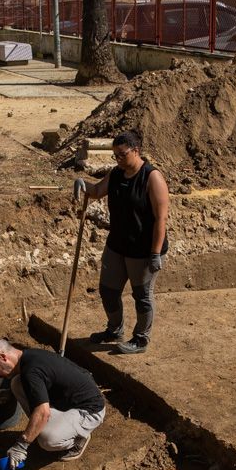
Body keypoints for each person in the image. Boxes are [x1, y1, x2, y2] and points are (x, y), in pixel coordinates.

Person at [73, 130, 169, 355]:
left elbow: (160, 218)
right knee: (108, 290)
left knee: (142, 296)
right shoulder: (116, 174)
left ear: (136, 151)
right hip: (117, 245)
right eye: (114, 155)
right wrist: (82, 184)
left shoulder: (152, 177)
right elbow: (97, 191)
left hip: (143, 251)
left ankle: (140, 339)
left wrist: (155, 253)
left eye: (122, 154)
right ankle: (115, 329)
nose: (117, 159)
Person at [0, 339, 105, 469]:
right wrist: (10, 393)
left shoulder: (31, 371)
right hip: (68, 401)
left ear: (3, 357)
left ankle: (78, 439)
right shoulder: (28, 356)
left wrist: (22, 445)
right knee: (17, 383)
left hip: (89, 410)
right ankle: (44, 427)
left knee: (48, 440)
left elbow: (43, 412)